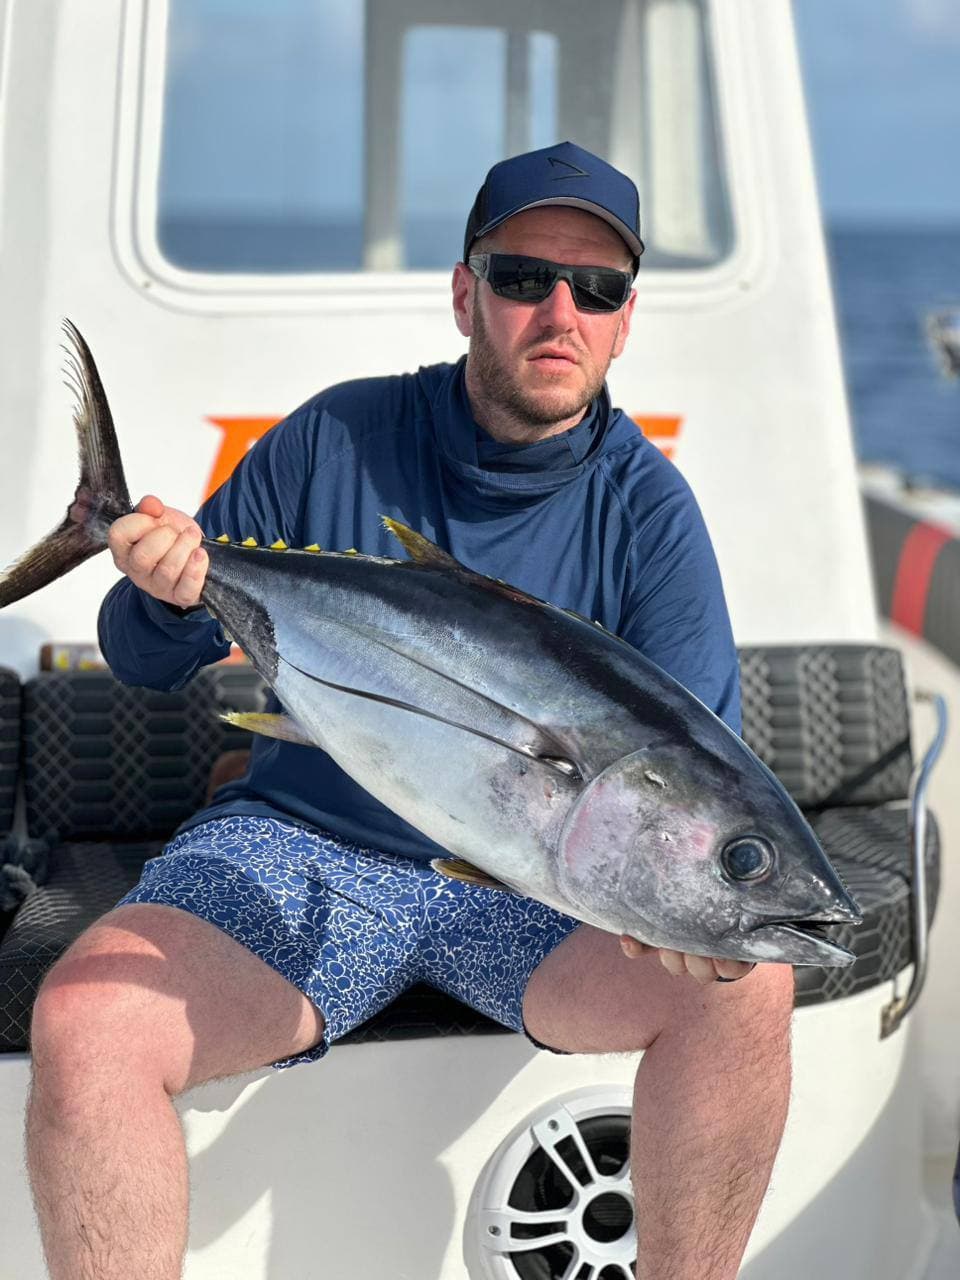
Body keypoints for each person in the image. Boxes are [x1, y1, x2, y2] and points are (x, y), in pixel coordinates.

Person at [25, 142, 794, 1280]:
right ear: (464, 291)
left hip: (543, 885)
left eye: (598, 288)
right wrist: (163, 585)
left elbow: (687, 776)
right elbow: (143, 662)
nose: (560, 311)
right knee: (87, 1023)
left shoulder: (648, 510)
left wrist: (678, 906)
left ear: (626, 321)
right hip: (309, 849)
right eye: (525, 276)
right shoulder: (337, 436)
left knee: (750, 982)